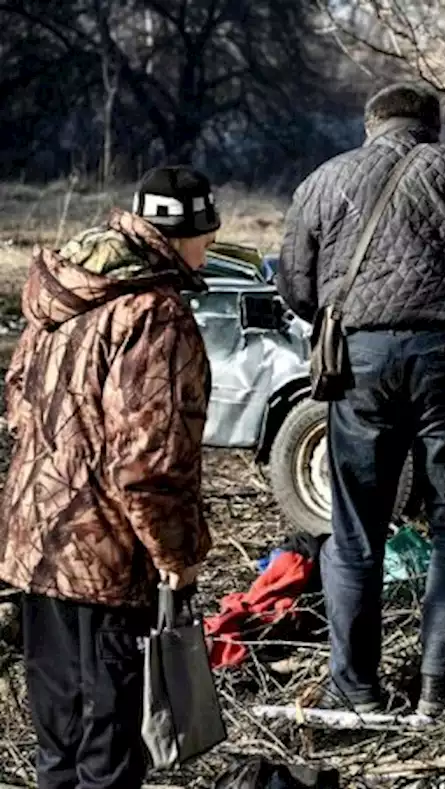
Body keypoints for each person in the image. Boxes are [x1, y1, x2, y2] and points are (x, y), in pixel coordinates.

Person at [276, 83, 445, 716]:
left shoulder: (323, 179)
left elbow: (294, 284)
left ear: (371, 127)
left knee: (353, 533)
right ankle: (438, 685)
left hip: (358, 365)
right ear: (434, 124)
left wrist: (352, 322)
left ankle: (355, 687)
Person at [0, 166, 216, 788]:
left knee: (59, 744)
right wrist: (177, 554)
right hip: (108, 564)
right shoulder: (155, 315)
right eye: (205, 235)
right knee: (108, 752)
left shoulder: (64, 295)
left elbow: (19, 401)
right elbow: (149, 460)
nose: (208, 249)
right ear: (179, 237)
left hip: (36, 545)